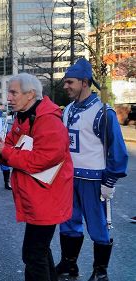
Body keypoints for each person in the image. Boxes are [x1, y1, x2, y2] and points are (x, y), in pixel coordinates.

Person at [0, 72, 73, 281]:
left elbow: (42, 159)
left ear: (30, 95)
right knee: (39, 250)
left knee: (33, 253)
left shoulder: (47, 120)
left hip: (47, 197)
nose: (8, 98)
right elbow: (10, 148)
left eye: (13, 92)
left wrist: (4, 151)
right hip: (38, 196)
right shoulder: (25, 116)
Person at [56, 58, 128, 281]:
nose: (66, 86)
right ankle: (69, 266)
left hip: (94, 181)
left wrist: (109, 182)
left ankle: (100, 272)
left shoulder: (103, 113)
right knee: (68, 223)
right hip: (69, 178)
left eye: (70, 82)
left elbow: (117, 151)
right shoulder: (67, 110)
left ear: (84, 82)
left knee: (98, 227)